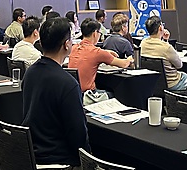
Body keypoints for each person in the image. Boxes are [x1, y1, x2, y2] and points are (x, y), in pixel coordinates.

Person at [22, 17, 89, 167]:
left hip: (31, 154)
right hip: (58, 159)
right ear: (67, 44)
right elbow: (78, 136)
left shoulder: (30, 72)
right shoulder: (68, 83)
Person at [69, 18, 134, 100]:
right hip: (89, 95)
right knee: (117, 94)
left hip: (73, 94)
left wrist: (106, 52)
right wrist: (130, 58)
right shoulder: (97, 52)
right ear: (95, 33)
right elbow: (124, 64)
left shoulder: (73, 48)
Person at [140, 16, 187, 90]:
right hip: (170, 83)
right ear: (160, 28)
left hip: (152, 83)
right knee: (186, 77)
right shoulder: (166, 47)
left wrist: (165, 40)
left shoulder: (143, 43)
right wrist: (166, 42)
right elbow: (179, 65)